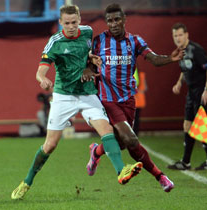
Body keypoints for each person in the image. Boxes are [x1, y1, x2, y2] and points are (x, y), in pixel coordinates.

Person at [11, 4, 143, 200]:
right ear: (60, 22)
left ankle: (121, 170)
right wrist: (43, 79)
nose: (71, 26)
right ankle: (27, 182)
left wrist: (92, 59)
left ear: (80, 20)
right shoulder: (55, 42)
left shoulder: (87, 33)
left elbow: (86, 54)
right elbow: (41, 70)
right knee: (50, 145)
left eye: (74, 22)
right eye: (67, 23)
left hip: (88, 93)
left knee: (106, 130)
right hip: (64, 96)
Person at [83, 3, 184, 192]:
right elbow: (88, 63)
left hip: (128, 100)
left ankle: (96, 152)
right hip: (107, 100)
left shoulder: (135, 41)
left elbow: (152, 58)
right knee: (131, 140)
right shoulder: (98, 41)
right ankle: (160, 176)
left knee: (121, 143)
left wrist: (170, 59)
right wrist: (88, 69)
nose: (113, 24)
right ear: (106, 22)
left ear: (124, 20)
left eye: (117, 19)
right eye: (109, 21)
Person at [167, 23, 207, 170]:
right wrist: (178, 83)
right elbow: (185, 69)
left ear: (186, 35)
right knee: (187, 125)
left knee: (202, 127)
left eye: (180, 35)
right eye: (175, 35)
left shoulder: (196, 50)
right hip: (191, 93)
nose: (178, 38)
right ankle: (186, 162)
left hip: (201, 92)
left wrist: (206, 90)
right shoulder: (181, 52)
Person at [133, 67, 147, 136]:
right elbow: (145, 88)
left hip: (133, 100)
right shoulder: (142, 75)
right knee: (136, 119)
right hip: (140, 100)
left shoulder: (130, 75)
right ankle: (135, 133)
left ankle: (131, 133)